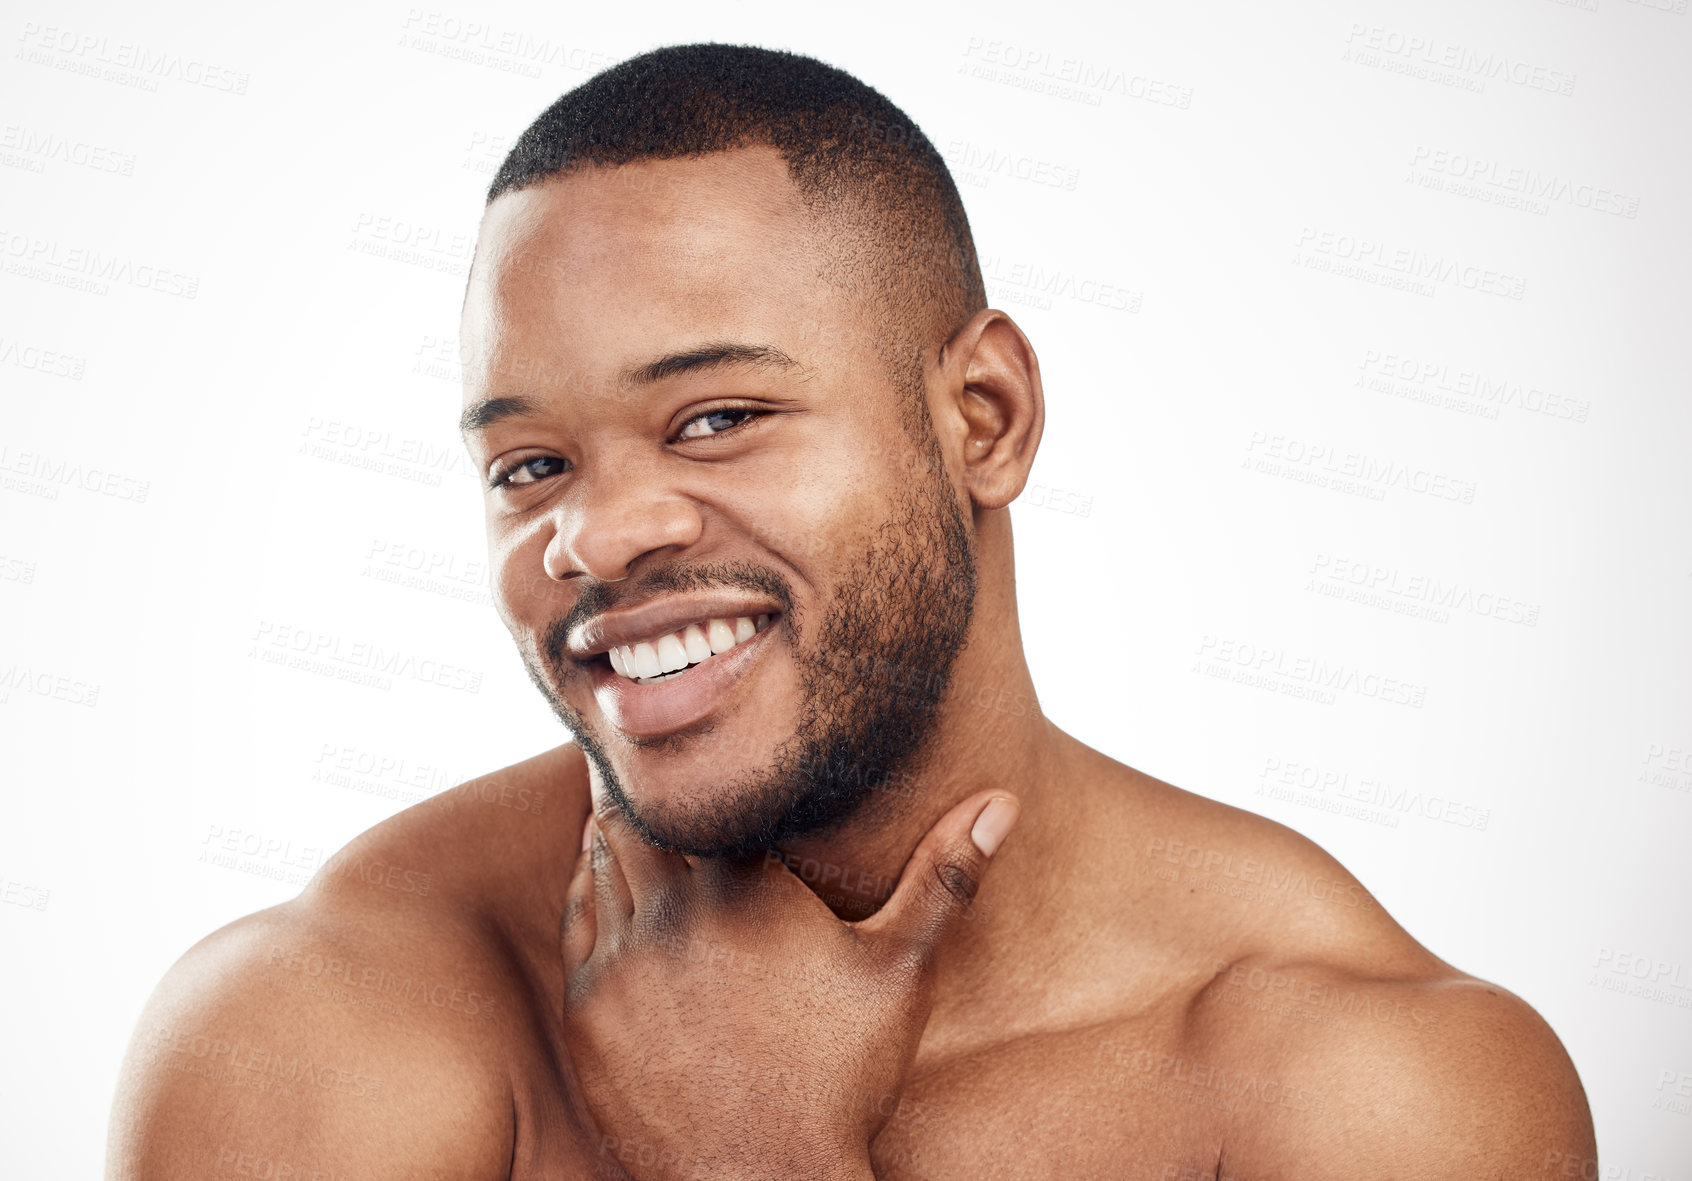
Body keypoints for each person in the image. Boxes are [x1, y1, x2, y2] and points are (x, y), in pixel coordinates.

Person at [107, 43, 1596, 1180]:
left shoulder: (1377, 1089)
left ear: (986, 419)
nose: (593, 534)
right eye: (530, 463)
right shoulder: (328, 1027)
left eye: (716, 417)